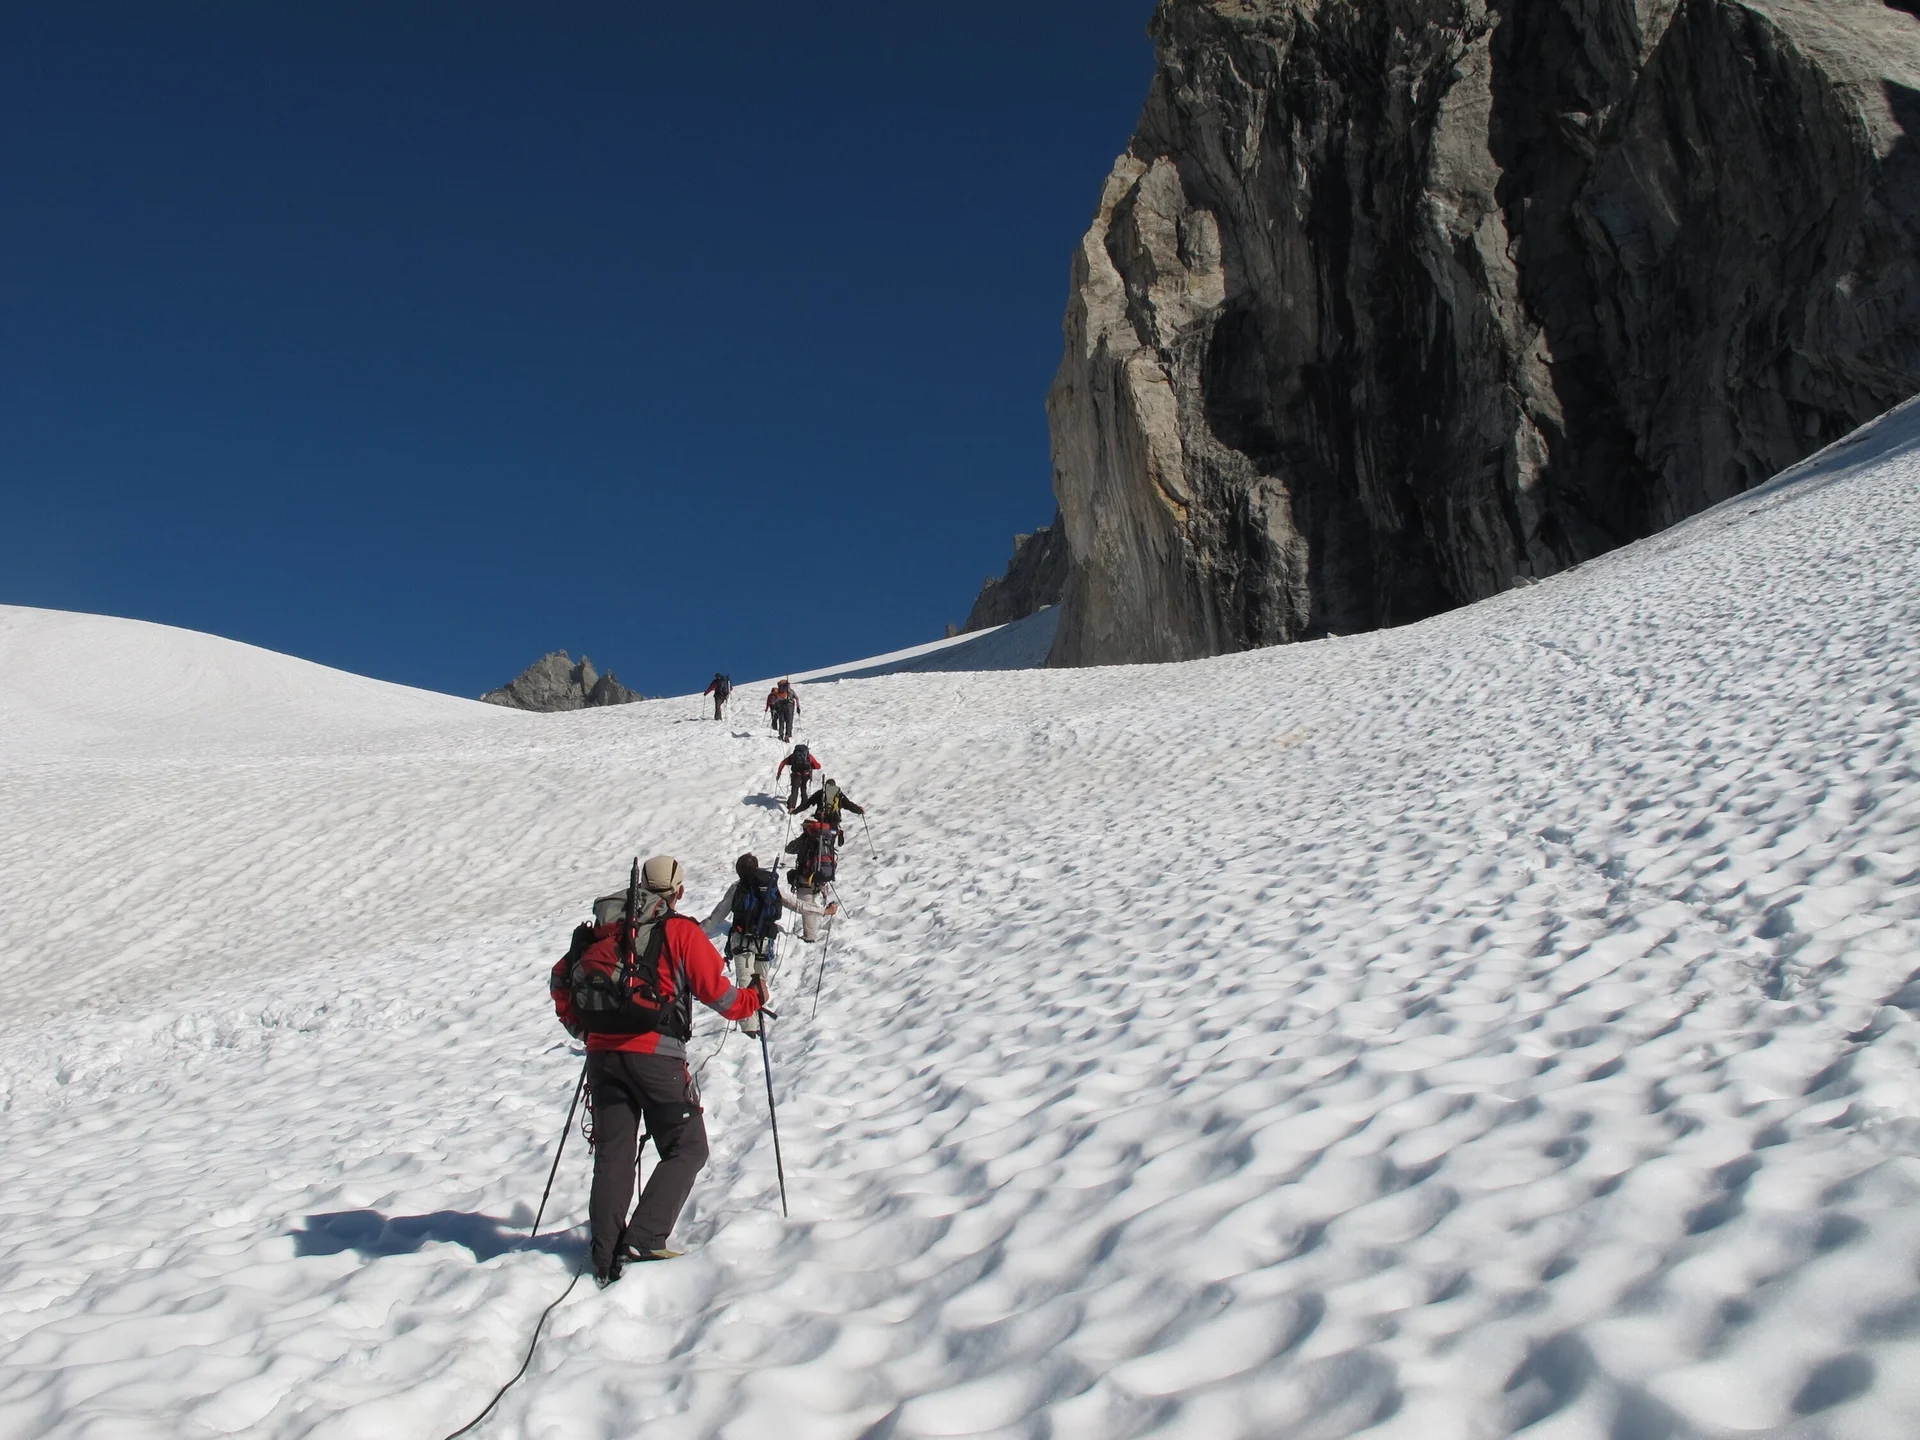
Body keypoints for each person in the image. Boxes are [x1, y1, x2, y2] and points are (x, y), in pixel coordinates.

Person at [548, 855, 763, 1287]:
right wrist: (753, 998)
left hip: (602, 1057)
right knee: (687, 1146)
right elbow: (723, 998)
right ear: (678, 891)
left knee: (614, 1156)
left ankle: (603, 1252)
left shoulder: (603, 931)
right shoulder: (680, 932)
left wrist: (583, 1028)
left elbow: (561, 978)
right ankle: (644, 1239)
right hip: (657, 1058)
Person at [701, 853, 836, 1030]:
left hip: (741, 941)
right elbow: (796, 904)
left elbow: (717, 916)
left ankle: (749, 1030)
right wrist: (823, 911)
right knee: (760, 984)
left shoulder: (738, 887)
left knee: (745, 985)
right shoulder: (769, 886)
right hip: (765, 940)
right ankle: (757, 1021)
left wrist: (695, 931)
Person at [777, 742, 821, 812]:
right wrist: (812, 766)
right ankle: (804, 803)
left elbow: (783, 763)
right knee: (803, 787)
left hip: (796, 774)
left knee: (794, 789)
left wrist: (779, 774)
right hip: (806, 775)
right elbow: (818, 766)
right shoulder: (809, 756)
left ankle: (792, 807)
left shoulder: (793, 756)